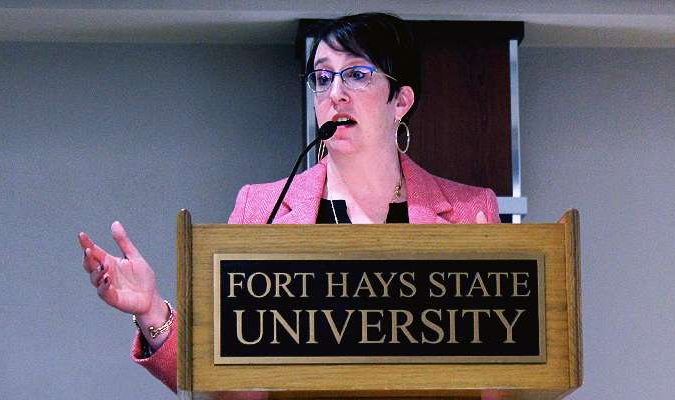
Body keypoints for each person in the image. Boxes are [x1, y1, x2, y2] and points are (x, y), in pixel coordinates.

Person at [78, 12, 500, 394]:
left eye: (356, 74)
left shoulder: (470, 211)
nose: (335, 93)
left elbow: (501, 381)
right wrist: (151, 310)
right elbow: (223, 378)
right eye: (322, 77)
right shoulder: (260, 208)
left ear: (400, 101)